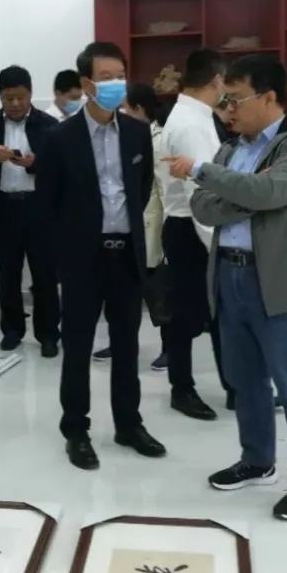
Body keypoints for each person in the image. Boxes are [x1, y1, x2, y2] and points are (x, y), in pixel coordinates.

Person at [166, 53, 287, 521]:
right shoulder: (231, 149)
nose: (226, 110)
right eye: (223, 101)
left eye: (235, 99)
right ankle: (258, 460)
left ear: (268, 97)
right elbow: (203, 207)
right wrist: (248, 193)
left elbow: (269, 191)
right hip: (229, 274)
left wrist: (208, 174)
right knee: (246, 382)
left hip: (280, 280)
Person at [37, 41, 166, 471]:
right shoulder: (59, 139)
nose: (115, 84)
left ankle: (129, 424)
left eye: (120, 76)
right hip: (82, 259)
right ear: (87, 83)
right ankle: (76, 429)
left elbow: (141, 187)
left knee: (127, 345)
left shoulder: (136, 132)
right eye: (106, 78)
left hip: (125, 254)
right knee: (77, 346)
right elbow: (48, 203)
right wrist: (67, 253)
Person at [158, 49, 232, 421]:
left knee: (221, 314)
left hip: (195, 227)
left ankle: (236, 386)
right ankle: (182, 389)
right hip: (193, 229)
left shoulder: (195, 117)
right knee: (186, 315)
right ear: (217, 80)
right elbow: (200, 192)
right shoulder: (190, 124)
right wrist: (217, 242)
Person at [0, 65, 61, 355]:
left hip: (40, 210)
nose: (14, 104)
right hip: (4, 209)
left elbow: (61, 170)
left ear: (30, 94)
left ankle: (48, 334)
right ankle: (12, 330)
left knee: (45, 275)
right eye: (8, 98)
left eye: (20, 97)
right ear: (0, 96)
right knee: (8, 274)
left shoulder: (49, 125)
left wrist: (35, 164)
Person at [92, 83, 168, 371]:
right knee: (121, 292)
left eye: (125, 107)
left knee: (158, 292)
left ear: (138, 108)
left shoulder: (158, 139)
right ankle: (121, 342)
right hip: (121, 226)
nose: (121, 112)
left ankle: (169, 348)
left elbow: (158, 187)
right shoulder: (121, 136)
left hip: (151, 224)